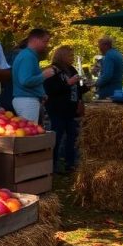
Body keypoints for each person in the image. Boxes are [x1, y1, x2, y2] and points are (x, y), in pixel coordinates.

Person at [45, 45, 87, 173]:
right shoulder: (53, 70)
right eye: (70, 55)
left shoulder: (72, 69)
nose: (72, 58)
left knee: (72, 137)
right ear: (62, 56)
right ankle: (53, 165)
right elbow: (51, 90)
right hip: (57, 109)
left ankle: (70, 163)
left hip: (71, 109)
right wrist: (68, 83)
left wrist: (85, 87)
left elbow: (77, 88)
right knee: (57, 137)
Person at [11, 29, 53, 122]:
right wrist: (43, 76)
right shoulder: (28, 56)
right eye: (44, 41)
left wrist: (41, 93)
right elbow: (25, 81)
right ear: (35, 40)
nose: (46, 45)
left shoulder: (28, 55)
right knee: (30, 133)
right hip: (27, 101)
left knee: (29, 131)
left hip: (26, 100)